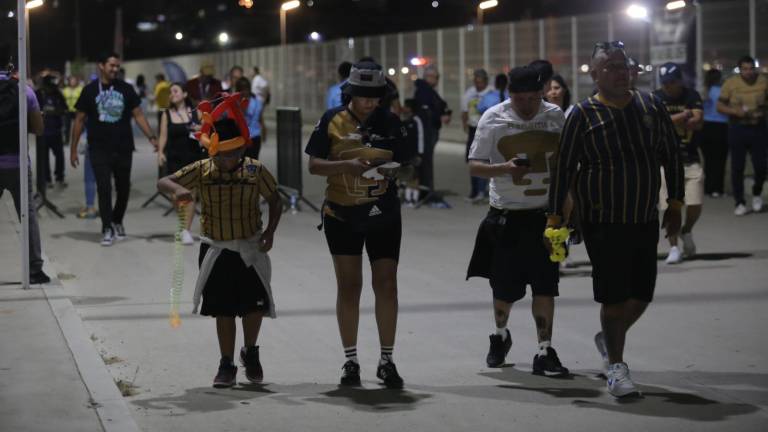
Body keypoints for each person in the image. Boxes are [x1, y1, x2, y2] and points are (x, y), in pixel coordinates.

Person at [548, 41, 683, 398]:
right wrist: (554, 218)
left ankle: (609, 336)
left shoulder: (650, 106)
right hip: (602, 220)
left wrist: (676, 203)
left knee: (642, 293)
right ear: (594, 74)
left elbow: (672, 154)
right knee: (614, 296)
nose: (621, 71)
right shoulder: (582, 114)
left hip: (643, 216)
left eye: (624, 65)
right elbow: (563, 168)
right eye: (611, 66)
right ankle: (616, 367)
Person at [157, 95, 283, 388]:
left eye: (234, 154)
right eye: (223, 155)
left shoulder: (254, 170)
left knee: (254, 307)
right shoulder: (202, 170)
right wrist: (177, 192)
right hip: (217, 248)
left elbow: (276, 200)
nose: (229, 160)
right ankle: (226, 363)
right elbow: (164, 182)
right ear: (212, 151)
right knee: (223, 309)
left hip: (250, 247)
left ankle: (250, 352)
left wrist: (270, 232)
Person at [305, 61, 410, 389]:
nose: (369, 102)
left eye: (375, 96)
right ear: (349, 93)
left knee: (387, 284)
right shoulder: (331, 119)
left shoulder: (391, 121)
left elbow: (407, 163)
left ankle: (387, 359)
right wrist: (346, 165)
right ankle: (350, 360)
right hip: (342, 214)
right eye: (363, 96)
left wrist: (393, 169)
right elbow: (314, 166)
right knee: (349, 287)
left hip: (384, 214)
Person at [466, 65, 569, 377]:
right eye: (519, 98)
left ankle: (544, 349)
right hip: (506, 216)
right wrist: (504, 169)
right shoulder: (493, 117)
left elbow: (567, 166)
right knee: (504, 289)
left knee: (546, 287)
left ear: (541, 93)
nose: (526, 105)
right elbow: (474, 165)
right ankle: (500, 335)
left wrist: (566, 214)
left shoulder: (555, 116)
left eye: (532, 98)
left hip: (545, 216)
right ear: (509, 94)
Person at [70, 51, 158, 246]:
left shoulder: (126, 89)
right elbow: (79, 120)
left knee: (124, 188)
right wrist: (73, 149)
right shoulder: (90, 90)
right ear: (101, 66)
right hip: (98, 149)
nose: (115, 69)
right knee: (103, 188)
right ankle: (107, 227)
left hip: (123, 147)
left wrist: (152, 137)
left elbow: (139, 115)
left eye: (117, 66)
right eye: (112, 65)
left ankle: (117, 220)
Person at [0, 44, 51, 284]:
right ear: (9, 63)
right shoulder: (24, 90)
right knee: (27, 214)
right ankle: (34, 269)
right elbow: (39, 130)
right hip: (18, 163)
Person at [653, 62, 705, 264]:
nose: (668, 86)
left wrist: (678, 118)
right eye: (665, 82)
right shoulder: (657, 97)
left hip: (690, 157)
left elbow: (698, 120)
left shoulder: (691, 95)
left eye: (672, 82)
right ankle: (673, 247)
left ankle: (687, 230)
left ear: (679, 80)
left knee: (695, 203)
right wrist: (683, 115)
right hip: (664, 160)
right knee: (668, 206)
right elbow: (659, 122)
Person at [717, 55, 768, 216]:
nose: (748, 72)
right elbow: (719, 105)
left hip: (758, 128)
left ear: (755, 68)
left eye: (751, 68)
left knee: (761, 166)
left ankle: (757, 192)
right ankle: (739, 202)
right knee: (737, 167)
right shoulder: (730, 83)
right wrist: (735, 111)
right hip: (737, 128)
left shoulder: (763, 81)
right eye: (745, 69)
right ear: (740, 70)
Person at [157, 82, 203, 245]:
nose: (172, 94)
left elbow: (206, 132)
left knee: (191, 194)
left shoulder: (196, 113)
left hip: (192, 157)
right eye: (170, 92)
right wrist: (160, 152)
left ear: (184, 94)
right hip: (174, 158)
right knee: (175, 194)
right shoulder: (167, 114)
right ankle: (183, 224)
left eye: (175, 91)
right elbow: (163, 135)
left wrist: (200, 128)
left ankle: (186, 230)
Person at [413, 65, 450, 201]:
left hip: (428, 130)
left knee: (426, 161)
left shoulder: (427, 90)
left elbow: (440, 104)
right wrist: (439, 116)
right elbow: (427, 112)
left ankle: (426, 189)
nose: (437, 80)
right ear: (429, 77)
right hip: (426, 131)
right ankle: (425, 191)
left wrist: (444, 112)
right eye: (436, 77)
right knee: (425, 161)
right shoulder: (424, 91)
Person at [461, 68, 491, 202]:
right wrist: (464, 125)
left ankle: (482, 191)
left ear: (485, 81)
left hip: (487, 130)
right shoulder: (470, 93)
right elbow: (464, 110)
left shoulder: (491, 93)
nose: (478, 85)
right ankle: (474, 191)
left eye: (481, 82)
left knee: (484, 160)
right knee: (472, 159)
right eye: (476, 82)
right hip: (473, 129)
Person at [700, 69, 729, 198]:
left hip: (706, 127)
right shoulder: (722, 91)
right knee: (720, 160)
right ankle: (718, 188)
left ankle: (708, 188)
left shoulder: (704, 91)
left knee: (708, 160)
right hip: (721, 126)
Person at [36, 74, 68, 187]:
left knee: (60, 156)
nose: (51, 88)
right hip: (42, 132)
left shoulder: (58, 94)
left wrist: (55, 111)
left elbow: (65, 109)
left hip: (56, 131)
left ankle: (60, 177)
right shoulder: (39, 94)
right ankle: (47, 179)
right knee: (43, 158)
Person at [400, 98, 425, 207]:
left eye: (405, 106)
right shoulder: (404, 121)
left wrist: (420, 153)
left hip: (415, 154)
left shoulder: (417, 121)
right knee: (406, 176)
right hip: (406, 153)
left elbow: (421, 137)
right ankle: (407, 199)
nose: (403, 108)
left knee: (414, 177)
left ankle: (414, 200)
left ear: (410, 108)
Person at [234, 77, 266, 160]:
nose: (244, 92)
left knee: (248, 163)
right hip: (246, 137)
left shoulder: (236, 104)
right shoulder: (235, 103)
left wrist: (264, 131)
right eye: (242, 89)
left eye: (245, 89)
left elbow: (260, 118)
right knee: (247, 163)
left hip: (250, 137)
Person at [62, 75, 82, 145]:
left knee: (77, 126)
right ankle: (66, 140)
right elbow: (62, 100)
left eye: (74, 80)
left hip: (77, 110)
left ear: (76, 81)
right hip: (68, 111)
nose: (72, 82)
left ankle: (77, 141)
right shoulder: (65, 90)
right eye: (71, 80)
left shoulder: (80, 89)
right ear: (69, 82)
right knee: (67, 127)